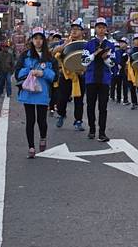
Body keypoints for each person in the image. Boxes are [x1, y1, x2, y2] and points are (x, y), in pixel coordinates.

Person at [15, 27, 59, 158]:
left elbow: (55, 76)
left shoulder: (50, 58)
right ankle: (31, 147)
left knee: (41, 120)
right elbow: (17, 73)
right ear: (32, 40)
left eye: (40, 38)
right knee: (30, 120)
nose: (38, 41)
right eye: (35, 38)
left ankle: (43, 138)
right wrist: (29, 71)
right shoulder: (25, 55)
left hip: (43, 93)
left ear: (44, 41)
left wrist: (43, 73)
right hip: (28, 92)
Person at [81, 17, 116, 141]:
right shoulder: (89, 44)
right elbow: (84, 62)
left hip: (105, 79)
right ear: (95, 29)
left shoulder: (111, 45)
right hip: (90, 78)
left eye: (103, 27)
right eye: (99, 27)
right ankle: (91, 129)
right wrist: (95, 54)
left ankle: (102, 132)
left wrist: (106, 58)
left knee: (103, 107)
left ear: (106, 29)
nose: (101, 30)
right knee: (90, 105)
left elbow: (113, 64)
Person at [53, 18, 86, 131]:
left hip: (79, 75)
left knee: (79, 100)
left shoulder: (85, 44)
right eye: (73, 29)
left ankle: (78, 121)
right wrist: (63, 46)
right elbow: (54, 52)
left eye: (77, 29)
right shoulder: (66, 42)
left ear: (82, 31)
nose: (74, 31)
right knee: (61, 99)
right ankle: (61, 114)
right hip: (66, 75)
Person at [47, 31, 63, 116]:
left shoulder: (63, 49)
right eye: (55, 38)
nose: (57, 40)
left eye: (58, 38)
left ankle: (57, 107)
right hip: (51, 72)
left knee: (58, 92)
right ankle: (51, 107)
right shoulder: (49, 48)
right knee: (52, 91)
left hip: (61, 72)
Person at [112, 38, 130, 105]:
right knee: (118, 85)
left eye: (123, 42)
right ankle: (118, 98)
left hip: (125, 70)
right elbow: (114, 60)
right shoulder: (117, 52)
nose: (121, 44)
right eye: (120, 43)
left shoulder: (127, 52)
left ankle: (125, 99)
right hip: (118, 70)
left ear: (126, 44)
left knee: (125, 85)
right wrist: (118, 64)